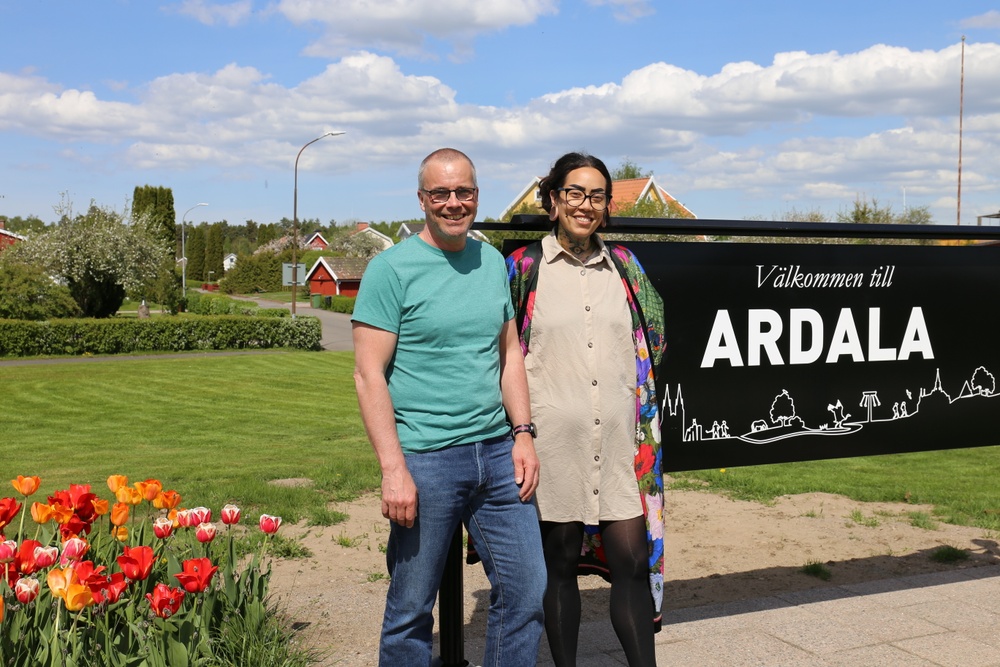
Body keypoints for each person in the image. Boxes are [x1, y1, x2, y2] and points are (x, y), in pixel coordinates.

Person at [352, 148, 546, 666]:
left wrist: (523, 433)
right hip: (427, 459)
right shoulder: (390, 270)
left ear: (477, 196)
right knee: (412, 610)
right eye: (441, 193)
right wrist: (393, 468)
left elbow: (509, 355)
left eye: (464, 192)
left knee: (528, 592)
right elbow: (368, 374)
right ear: (422, 200)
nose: (454, 203)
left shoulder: (490, 264)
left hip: (499, 456)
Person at [505, 152, 665, 666]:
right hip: (552, 445)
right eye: (574, 193)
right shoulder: (523, 269)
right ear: (553, 201)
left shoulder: (625, 267)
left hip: (621, 446)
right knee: (559, 563)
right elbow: (500, 353)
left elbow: (655, 338)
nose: (585, 205)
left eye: (596, 196)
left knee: (632, 562)